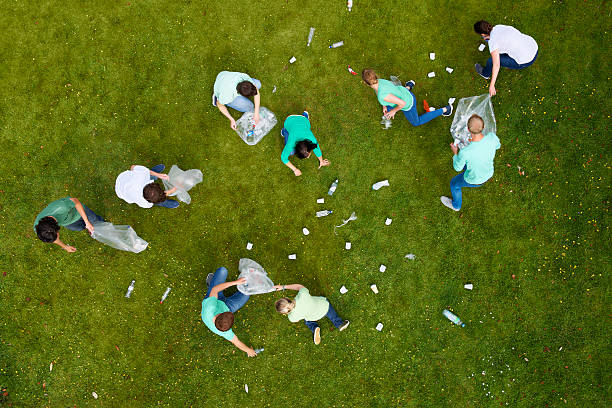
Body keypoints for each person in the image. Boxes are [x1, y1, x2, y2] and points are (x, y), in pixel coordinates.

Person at [440, 114, 501, 211]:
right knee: (468, 164)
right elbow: (497, 146)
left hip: (475, 179)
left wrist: (455, 153)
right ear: (483, 127)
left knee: (454, 184)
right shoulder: (492, 137)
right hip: (488, 172)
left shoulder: (465, 152)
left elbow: (457, 168)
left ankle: (456, 206)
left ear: (468, 129)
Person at [361, 69, 452, 127]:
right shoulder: (379, 81)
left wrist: (393, 111)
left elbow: (402, 104)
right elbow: (390, 91)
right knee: (388, 109)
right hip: (404, 92)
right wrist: (384, 106)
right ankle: (409, 86)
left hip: (409, 103)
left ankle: (446, 109)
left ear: (366, 83)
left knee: (416, 122)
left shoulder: (382, 95)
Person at [201, 267, 258, 357]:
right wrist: (248, 351)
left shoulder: (210, 308)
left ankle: (211, 284)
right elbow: (237, 342)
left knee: (223, 271)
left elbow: (215, 289)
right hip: (225, 305)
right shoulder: (223, 329)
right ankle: (212, 284)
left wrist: (236, 282)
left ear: (219, 314)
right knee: (246, 294)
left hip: (215, 298)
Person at [473, 20, 538, 97]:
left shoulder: (493, 43)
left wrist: (492, 85)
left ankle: (485, 74)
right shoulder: (499, 27)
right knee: (501, 51)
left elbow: (496, 65)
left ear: (483, 34)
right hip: (532, 46)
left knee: (491, 61)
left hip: (526, 60)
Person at [273, 283, 349, 345]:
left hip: (313, 316)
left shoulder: (292, 317)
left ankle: (315, 328)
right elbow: (299, 286)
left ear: (286, 312)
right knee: (330, 312)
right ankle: (339, 324)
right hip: (324, 306)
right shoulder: (303, 295)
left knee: (308, 321)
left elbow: (296, 320)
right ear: (287, 298)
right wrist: (283, 286)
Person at [34, 197, 105, 252]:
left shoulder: (62, 207)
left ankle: (100, 226)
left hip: (77, 210)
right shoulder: (40, 229)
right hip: (68, 221)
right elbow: (54, 239)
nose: (58, 236)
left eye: (57, 234)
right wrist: (65, 246)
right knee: (79, 228)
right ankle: (89, 228)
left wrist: (87, 222)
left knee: (95, 220)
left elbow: (76, 201)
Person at [280, 111, 330, 176]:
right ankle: (284, 131)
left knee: (298, 127)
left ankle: (304, 116)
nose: (308, 157)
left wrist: (321, 161)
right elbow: (283, 158)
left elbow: (316, 149)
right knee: (291, 152)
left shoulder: (312, 140)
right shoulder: (291, 143)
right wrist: (295, 169)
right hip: (293, 120)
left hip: (293, 120)